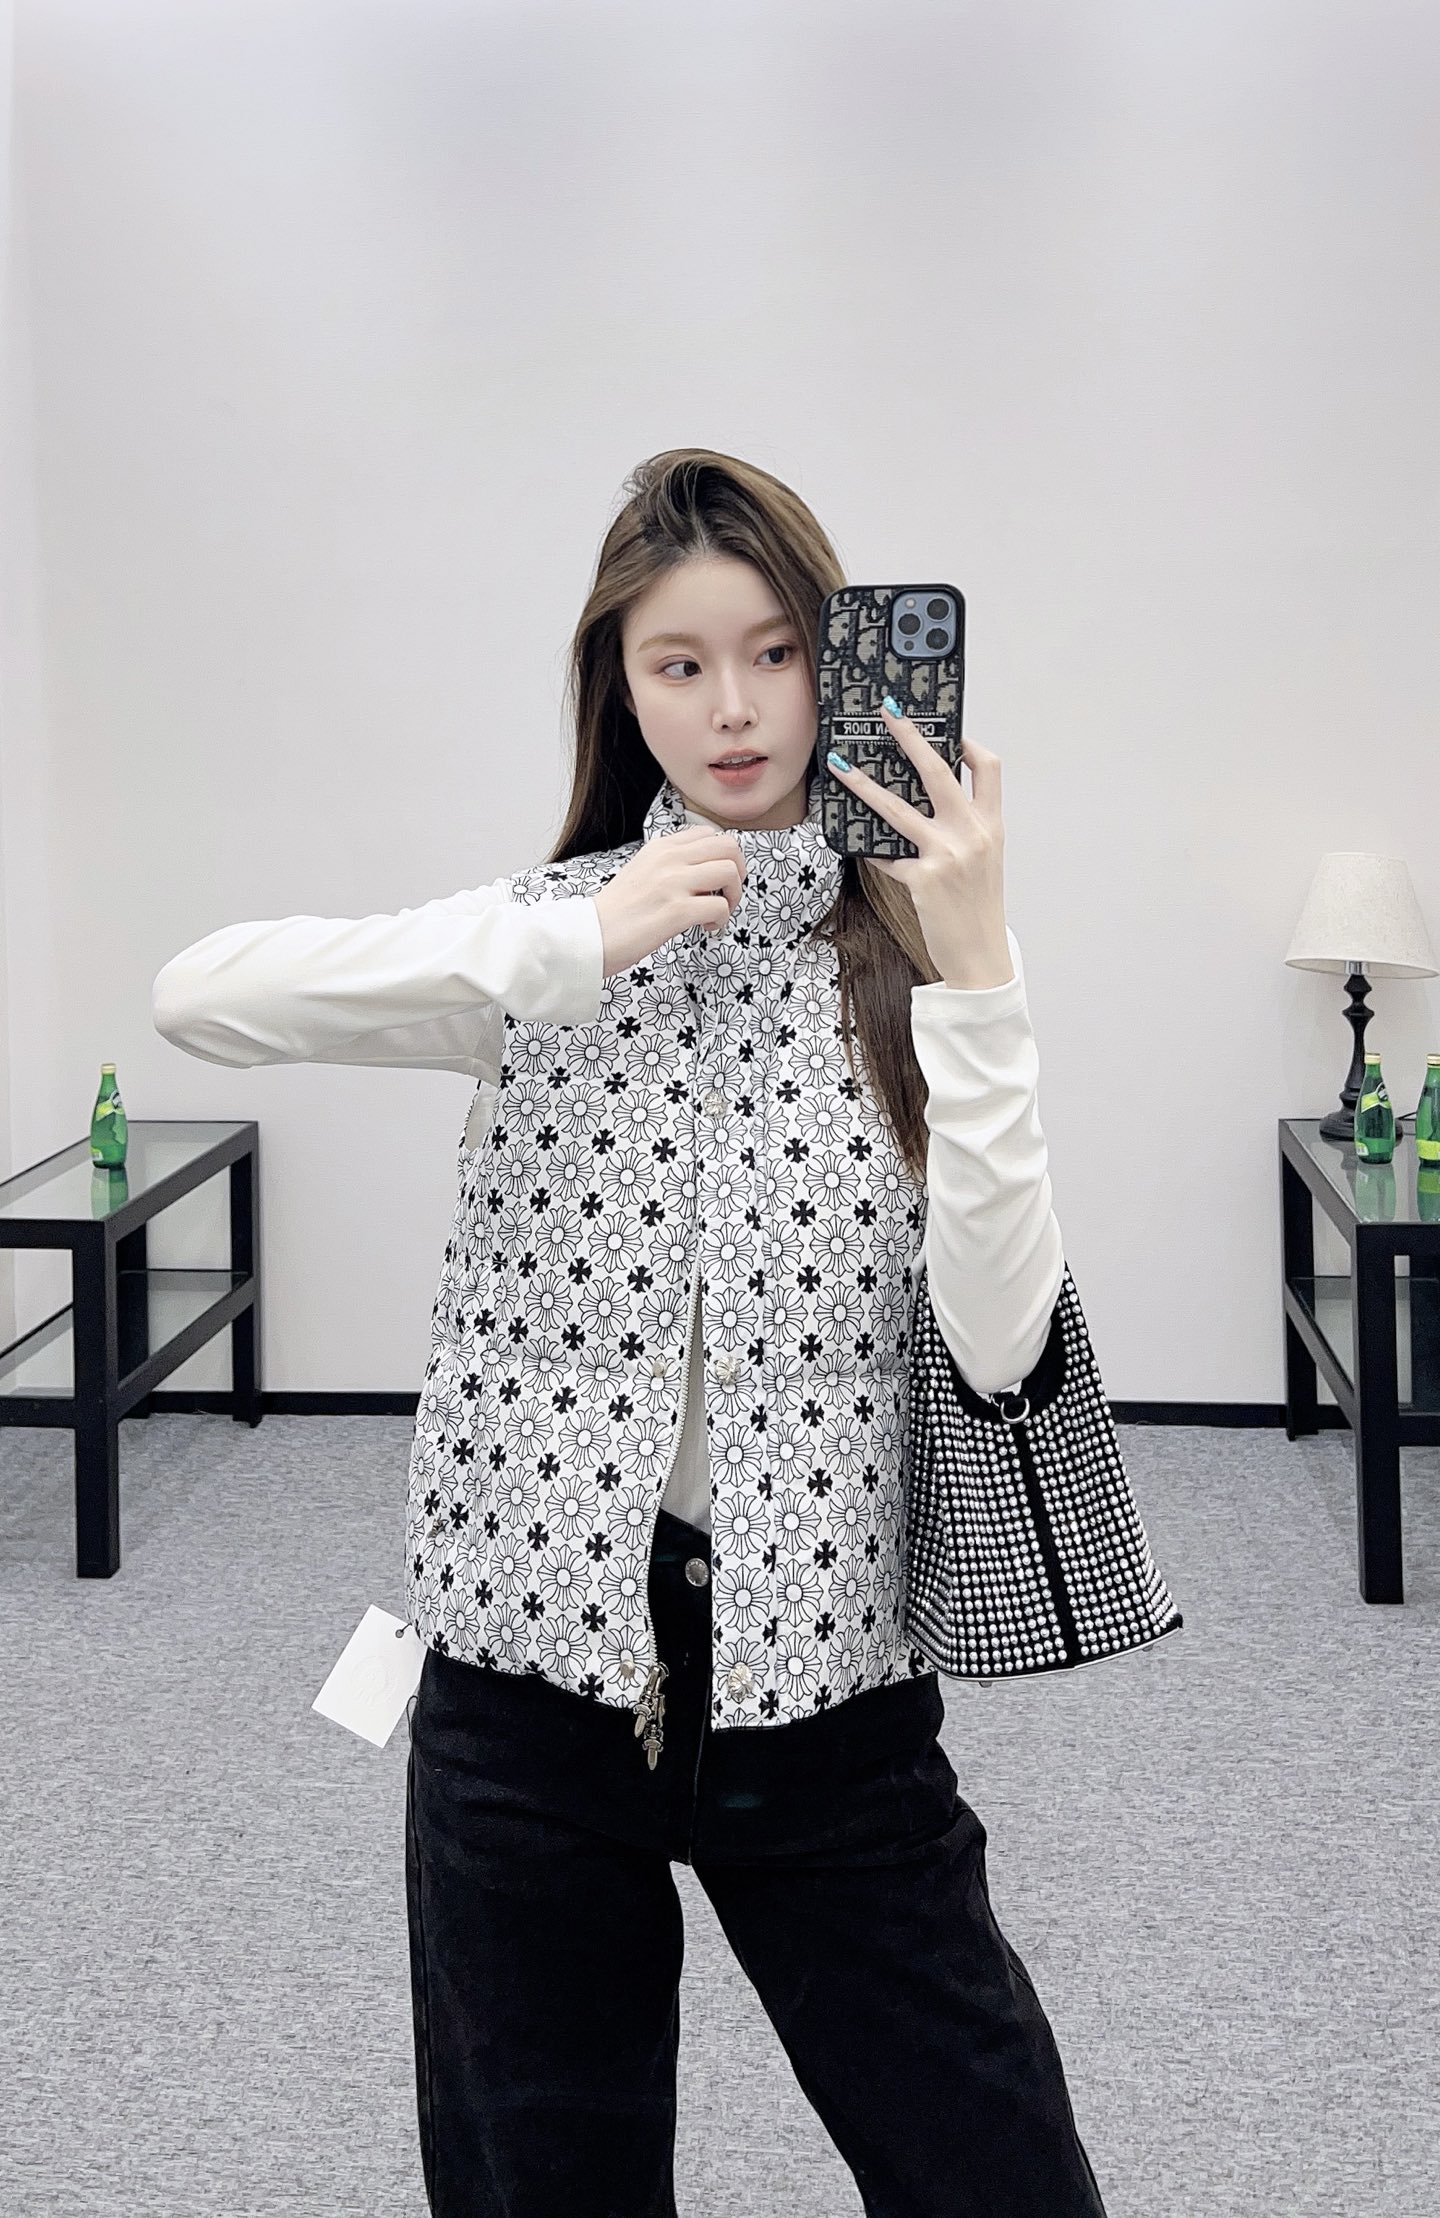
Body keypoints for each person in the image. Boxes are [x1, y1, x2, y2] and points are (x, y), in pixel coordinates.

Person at [153, 448, 1107, 2218]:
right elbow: (200, 997)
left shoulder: (914, 963)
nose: (733, 708)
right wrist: (564, 943)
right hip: (530, 1683)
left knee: (999, 2171)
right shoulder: (549, 942)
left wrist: (980, 976)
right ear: (623, 684)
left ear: (836, 663)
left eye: (774, 652)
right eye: (680, 662)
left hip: (821, 1682)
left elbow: (995, 1349)